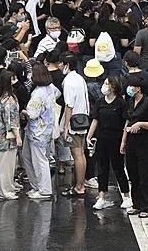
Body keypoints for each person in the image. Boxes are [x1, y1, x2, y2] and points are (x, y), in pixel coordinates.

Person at [86, 76, 130, 210]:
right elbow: (95, 120)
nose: (104, 86)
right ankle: (102, 196)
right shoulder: (100, 101)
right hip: (102, 138)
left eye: (107, 84)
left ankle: (126, 195)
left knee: (118, 167)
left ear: (113, 87)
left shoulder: (121, 103)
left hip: (116, 138)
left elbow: (126, 123)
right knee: (102, 168)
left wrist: (123, 141)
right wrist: (89, 136)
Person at [22, 64, 61, 200]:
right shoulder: (51, 88)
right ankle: (37, 186)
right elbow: (58, 95)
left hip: (37, 131)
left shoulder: (37, 93)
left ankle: (44, 189)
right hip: (47, 129)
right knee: (34, 158)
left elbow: (32, 113)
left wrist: (22, 111)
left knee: (39, 161)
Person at [122, 72, 148, 217]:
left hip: (145, 143)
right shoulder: (130, 102)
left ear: (139, 88)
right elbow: (127, 122)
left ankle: (147, 207)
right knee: (133, 174)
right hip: (131, 143)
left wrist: (140, 124)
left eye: (132, 86)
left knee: (145, 175)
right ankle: (137, 204)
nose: (130, 88)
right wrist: (123, 141)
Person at [61, 51, 90, 196]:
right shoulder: (80, 78)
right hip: (83, 119)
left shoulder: (69, 81)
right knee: (81, 153)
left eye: (61, 63)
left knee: (77, 154)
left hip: (74, 122)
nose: (60, 66)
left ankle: (79, 186)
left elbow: (69, 105)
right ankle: (80, 184)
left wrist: (66, 127)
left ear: (67, 65)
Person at [0, 71, 22, 200]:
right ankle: (4, 190)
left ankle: (7, 187)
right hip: (7, 136)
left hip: (4, 135)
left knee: (8, 163)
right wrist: (18, 136)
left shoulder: (4, 97)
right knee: (6, 164)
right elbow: (11, 121)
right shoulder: (9, 100)